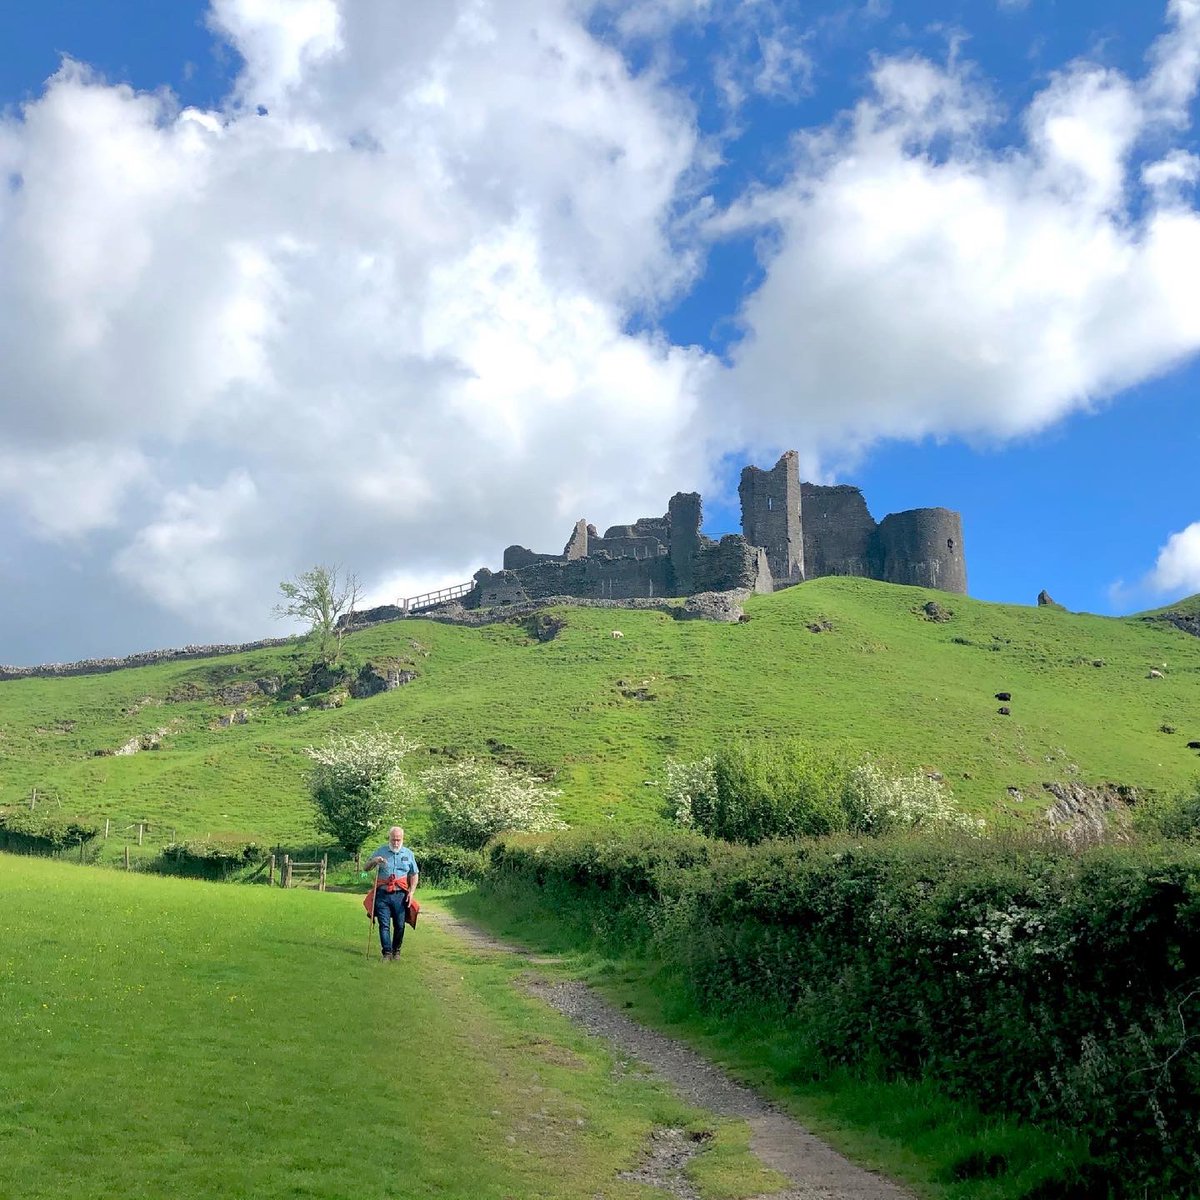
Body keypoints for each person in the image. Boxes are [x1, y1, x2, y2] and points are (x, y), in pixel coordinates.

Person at [365, 826, 419, 960]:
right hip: (382, 895)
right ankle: (387, 953)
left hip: (400, 895)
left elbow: (414, 874)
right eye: (393, 839)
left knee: (400, 925)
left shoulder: (408, 854)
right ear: (389, 838)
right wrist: (374, 861)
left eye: (398, 840)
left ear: (402, 839)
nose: (395, 843)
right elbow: (365, 869)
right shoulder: (381, 851)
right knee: (384, 925)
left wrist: (411, 892)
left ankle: (396, 951)